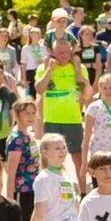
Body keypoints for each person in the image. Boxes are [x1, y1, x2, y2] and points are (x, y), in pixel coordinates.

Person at [35, 39, 90, 180]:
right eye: (60, 52)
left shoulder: (79, 67)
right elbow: (39, 90)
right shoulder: (44, 67)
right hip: (52, 120)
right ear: (53, 53)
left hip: (73, 120)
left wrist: (80, 77)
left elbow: (88, 94)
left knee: (78, 159)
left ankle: (83, 193)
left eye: (67, 52)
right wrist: (49, 70)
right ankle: (51, 189)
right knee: (50, 160)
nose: (64, 55)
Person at [3, 98, 41, 221]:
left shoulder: (28, 135)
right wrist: (9, 200)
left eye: (33, 113)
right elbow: (11, 172)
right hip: (22, 191)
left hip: (34, 189)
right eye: (26, 113)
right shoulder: (17, 138)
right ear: (17, 115)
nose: (31, 116)